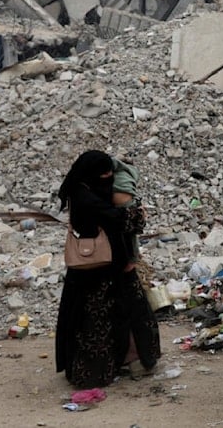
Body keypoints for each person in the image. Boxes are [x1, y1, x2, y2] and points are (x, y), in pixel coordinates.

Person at [56, 150, 161, 387]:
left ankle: (127, 361)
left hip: (105, 269)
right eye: (104, 173)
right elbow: (116, 219)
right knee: (102, 322)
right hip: (98, 272)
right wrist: (136, 215)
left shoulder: (82, 189)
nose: (108, 177)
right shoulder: (86, 198)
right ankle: (101, 370)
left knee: (124, 313)